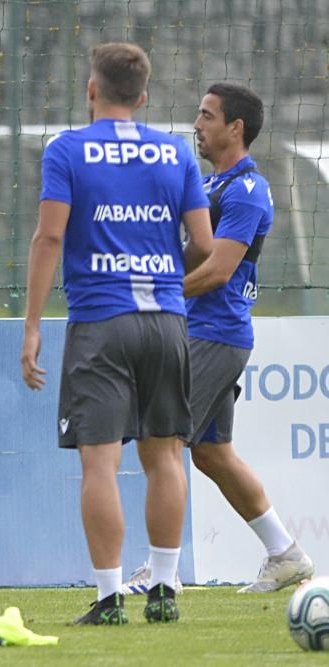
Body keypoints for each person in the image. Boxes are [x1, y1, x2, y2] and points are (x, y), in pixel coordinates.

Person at [21, 42, 214, 625]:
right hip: (167, 322)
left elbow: (49, 239)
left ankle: (108, 599)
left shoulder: (67, 150)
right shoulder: (176, 150)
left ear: (91, 90)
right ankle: (163, 590)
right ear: (145, 95)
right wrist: (156, 269)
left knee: (100, 465)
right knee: (166, 459)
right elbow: (204, 245)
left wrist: (32, 326)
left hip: (101, 323)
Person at [122, 83, 313, 595]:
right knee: (211, 453)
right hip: (200, 331)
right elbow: (187, 258)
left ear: (236, 128)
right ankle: (285, 553)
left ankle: (161, 573)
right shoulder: (208, 187)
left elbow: (219, 271)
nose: (196, 124)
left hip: (214, 333)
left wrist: (157, 297)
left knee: (164, 443)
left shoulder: (247, 191)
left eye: (207, 116)